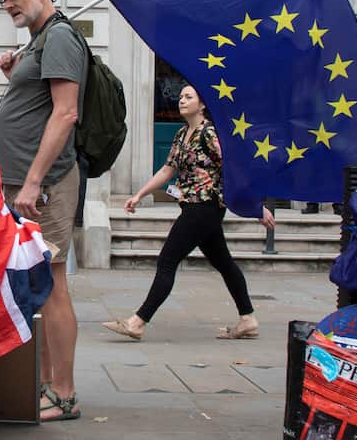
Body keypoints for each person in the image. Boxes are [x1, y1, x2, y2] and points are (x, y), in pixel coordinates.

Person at [0, 0, 85, 422]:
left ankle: (63, 392)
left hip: (43, 186)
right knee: (34, 284)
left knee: (52, 284)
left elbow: (65, 114)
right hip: (25, 183)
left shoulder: (60, 36)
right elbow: (36, 107)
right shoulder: (40, 41)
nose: (8, 3)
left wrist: (32, 181)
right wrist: (14, 75)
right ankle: (43, 383)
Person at [102, 85, 274, 341]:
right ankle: (247, 318)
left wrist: (255, 207)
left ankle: (137, 322)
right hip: (197, 208)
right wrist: (139, 194)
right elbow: (168, 169)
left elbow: (235, 168)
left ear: (202, 104)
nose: (181, 100)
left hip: (203, 208)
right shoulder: (182, 134)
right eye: (181, 96)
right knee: (224, 263)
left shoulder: (209, 133)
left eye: (188, 97)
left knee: (167, 261)